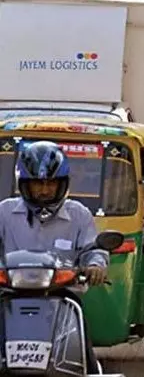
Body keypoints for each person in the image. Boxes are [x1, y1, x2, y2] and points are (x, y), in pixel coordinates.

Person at [0, 141, 108, 373]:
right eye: (37, 183)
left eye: (51, 183)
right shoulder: (5, 212)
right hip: (8, 296)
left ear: (63, 184)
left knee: (80, 329)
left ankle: (88, 371)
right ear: (24, 185)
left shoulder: (79, 215)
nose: (44, 190)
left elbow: (92, 249)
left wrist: (95, 265)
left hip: (62, 296)